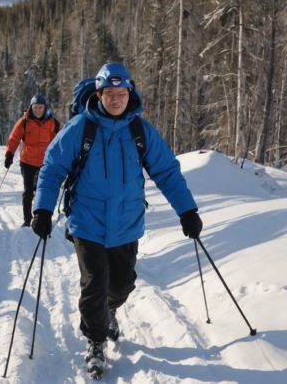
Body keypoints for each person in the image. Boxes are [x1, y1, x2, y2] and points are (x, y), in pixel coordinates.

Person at [30, 62, 202, 378]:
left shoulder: (139, 130)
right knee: (95, 283)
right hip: (87, 222)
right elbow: (52, 168)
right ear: (99, 94)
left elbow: (166, 171)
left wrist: (187, 211)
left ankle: (111, 310)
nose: (115, 99)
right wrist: (41, 209)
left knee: (122, 283)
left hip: (126, 225)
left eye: (121, 93)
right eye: (109, 93)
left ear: (129, 93)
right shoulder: (80, 128)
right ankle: (95, 342)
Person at [4, 94, 61, 227]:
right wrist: (9, 154)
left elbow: (58, 142)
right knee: (28, 191)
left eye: (40, 107)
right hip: (27, 161)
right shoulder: (24, 121)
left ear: (45, 108)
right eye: (35, 107)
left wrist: (59, 159)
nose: (37, 110)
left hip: (44, 162)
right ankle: (27, 219)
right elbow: (14, 138)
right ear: (31, 107)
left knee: (41, 189)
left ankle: (39, 216)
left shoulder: (53, 123)